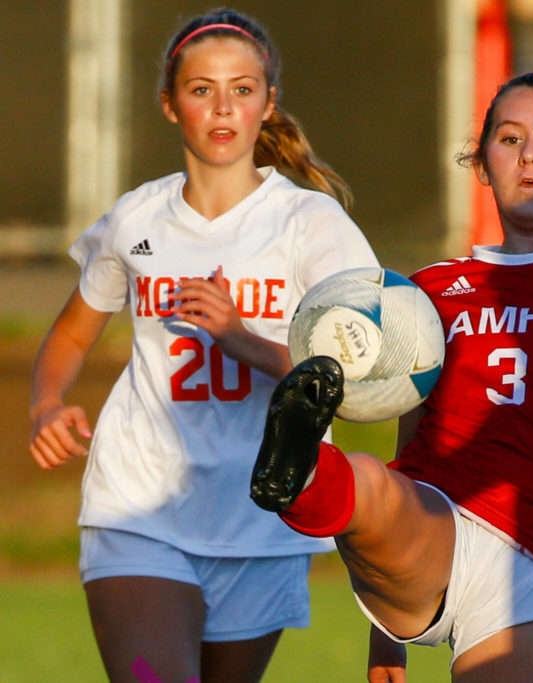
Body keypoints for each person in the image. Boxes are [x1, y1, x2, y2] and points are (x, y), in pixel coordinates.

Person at [249, 71, 533, 682]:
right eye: (509, 138)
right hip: (434, 527)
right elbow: (412, 448)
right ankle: (301, 469)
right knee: (369, 479)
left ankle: (310, 473)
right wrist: (383, 633)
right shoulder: (430, 291)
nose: (529, 155)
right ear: (482, 164)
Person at [28, 9, 378, 682]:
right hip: (138, 509)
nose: (223, 107)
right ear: (169, 103)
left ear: (268, 102)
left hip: (264, 518)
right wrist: (46, 401)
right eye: (201, 89)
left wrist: (238, 336)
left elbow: (356, 377)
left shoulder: (310, 223)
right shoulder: (136, 219)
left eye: (243, 89)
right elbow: (73, 330)